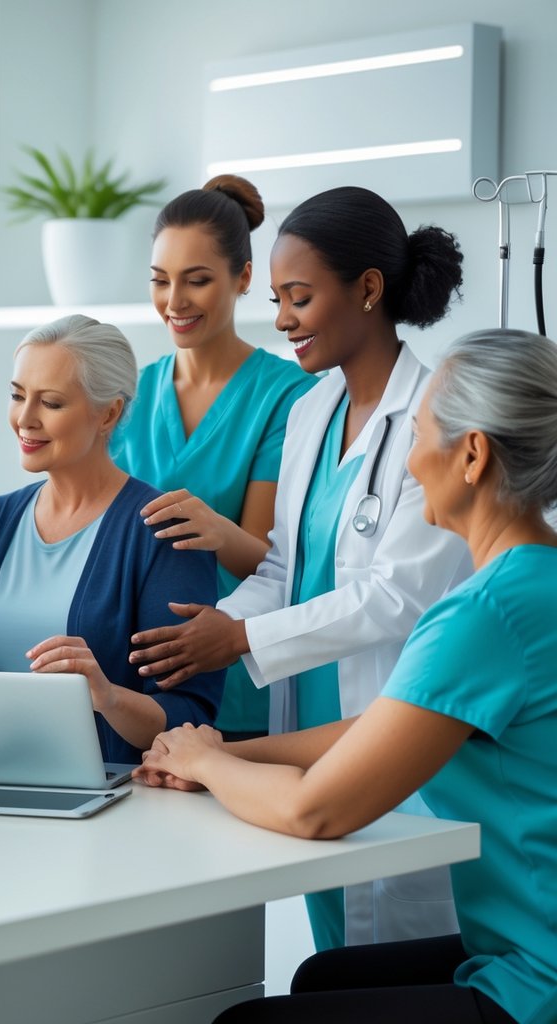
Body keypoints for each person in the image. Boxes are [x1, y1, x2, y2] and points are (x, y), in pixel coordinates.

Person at [136, 329, 557, 1024]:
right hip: (524, 943)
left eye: (419, 436)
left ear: (473, 455)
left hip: (536, 982)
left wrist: (208, 765)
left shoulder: (485, 614)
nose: (411, 461)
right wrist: (220, 753)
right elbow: (385, 728)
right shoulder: (534, 582)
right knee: (320, 977)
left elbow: (316, 811)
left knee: (245, 1020)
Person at [130, 187, 472, 949]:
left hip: (390, 721)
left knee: (400, 952)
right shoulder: (312, 411)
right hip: (307, 733)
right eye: (279, 299)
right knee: (334, 944)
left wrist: (242, 640)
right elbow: (285, 564)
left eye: (300, 297)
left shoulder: (435, 417)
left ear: (369, 289)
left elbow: (395, 597)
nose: (283, 319)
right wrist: (216, 626)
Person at [0, 315, 224, 773]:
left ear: (109, 413)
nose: (25, 419)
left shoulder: (163, 532)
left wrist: (107, 697)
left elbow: (191, 717)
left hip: (121, 800)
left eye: (50, 402)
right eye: (17, 395)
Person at [112, 175, 314, 741]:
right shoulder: (127, 398)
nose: (174, 302)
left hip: (236, 687)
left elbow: (276, 568)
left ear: (243, 277)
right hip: (130, 687)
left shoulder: (288, 398)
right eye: (160, 281)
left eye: (196, 280)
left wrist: (216, 530)